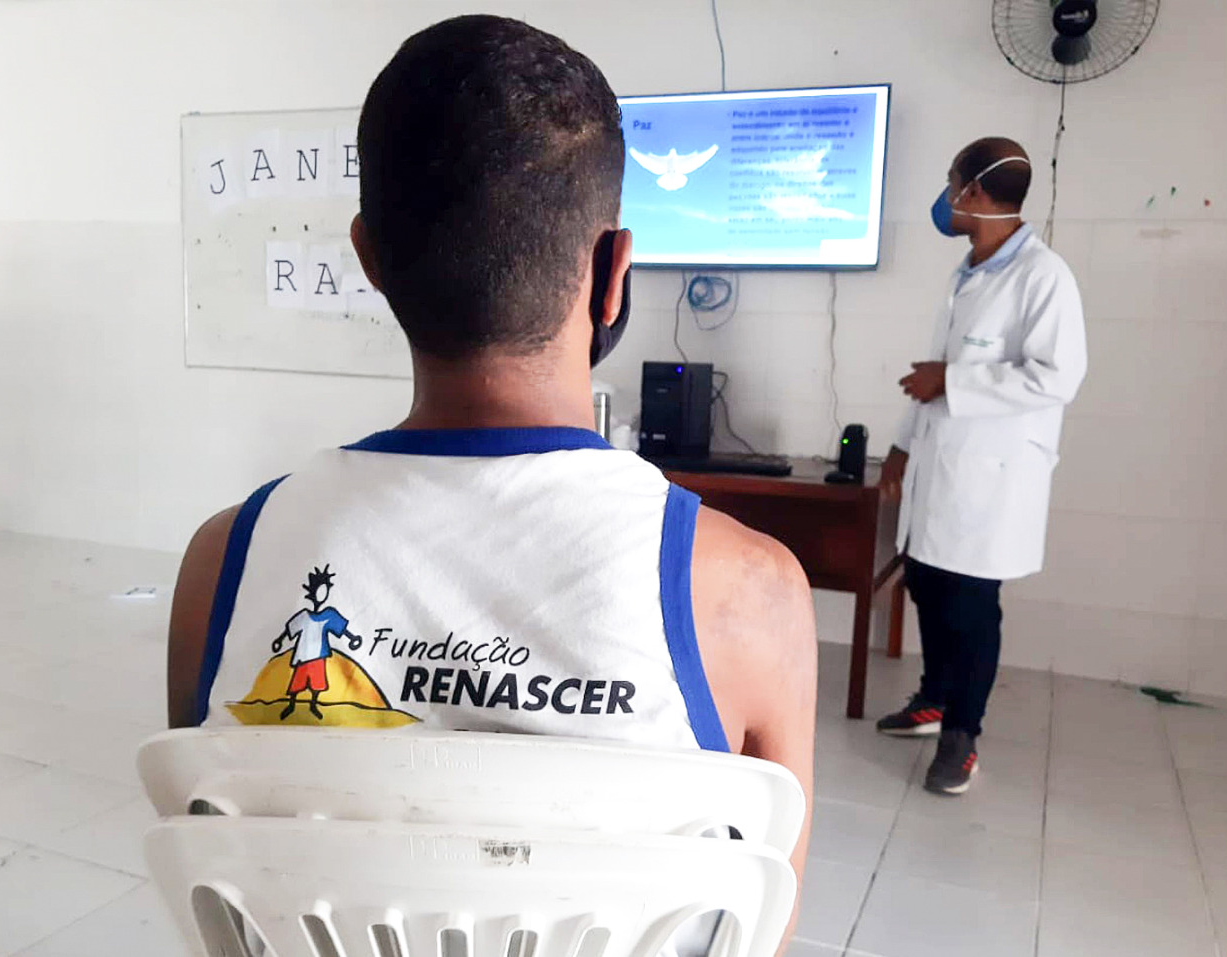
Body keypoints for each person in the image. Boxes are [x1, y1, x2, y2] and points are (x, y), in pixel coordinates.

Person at [166, 13, 815, 940]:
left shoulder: (222, 563)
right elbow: (762, 928)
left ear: (368, 259)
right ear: (615, 272)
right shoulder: (751, 590)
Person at [877, 137, 1086, 795]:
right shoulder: (968, 271)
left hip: (993, 475)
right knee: (926, 582)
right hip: (940, 462)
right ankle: (933, 700)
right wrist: (902, 445)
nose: (945, 199)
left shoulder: (1043, 276)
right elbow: (934, 370)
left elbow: (1059, 376)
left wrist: (953, 381)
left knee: (970, 608)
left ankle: (961, 737)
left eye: (951, 184)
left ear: (973, 192)